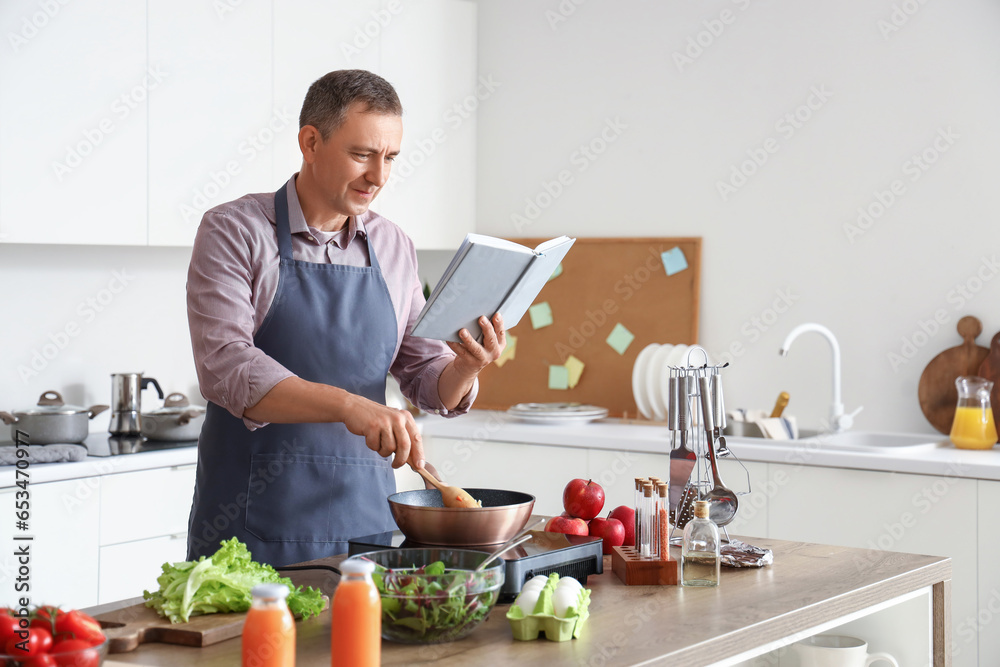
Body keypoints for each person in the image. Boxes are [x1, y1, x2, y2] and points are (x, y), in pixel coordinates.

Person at [185, 70, 505, 566]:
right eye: (362, 155)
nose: (378, 177)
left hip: (366, 525)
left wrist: (466, 366)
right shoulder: (235, 231)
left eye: (391, 158)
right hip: (250, 530)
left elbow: (424, 377)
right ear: (310, 142)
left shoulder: (393, 245)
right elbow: (226, 367)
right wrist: (351, 407)